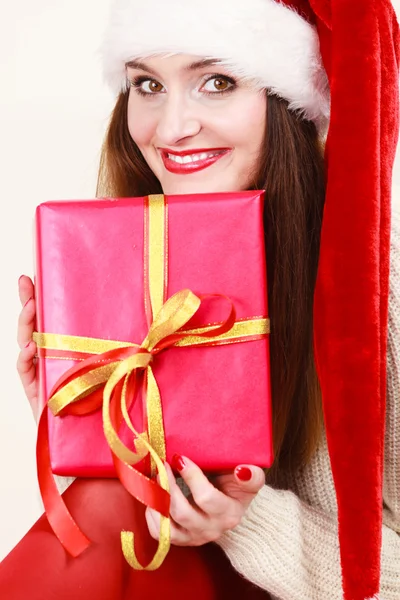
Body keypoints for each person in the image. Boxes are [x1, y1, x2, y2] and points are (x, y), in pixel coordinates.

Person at [2, 1, 400, 599]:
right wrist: (87, 418)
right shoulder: (134, 260)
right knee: (108, 497)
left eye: (217, 81)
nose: (169, 128)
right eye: (147, 85)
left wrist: (249, 519)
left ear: (288, 100)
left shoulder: (381, 294)